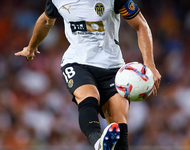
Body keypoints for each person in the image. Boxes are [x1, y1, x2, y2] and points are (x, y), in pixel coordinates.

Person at [15, 0, 161, 149]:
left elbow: (141, 25)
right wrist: (31, 47)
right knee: (89, 96)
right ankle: (98, 143)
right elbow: (46, 20)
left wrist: (150, 64)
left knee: (118, 124)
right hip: (77, 62)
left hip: (113, 68)